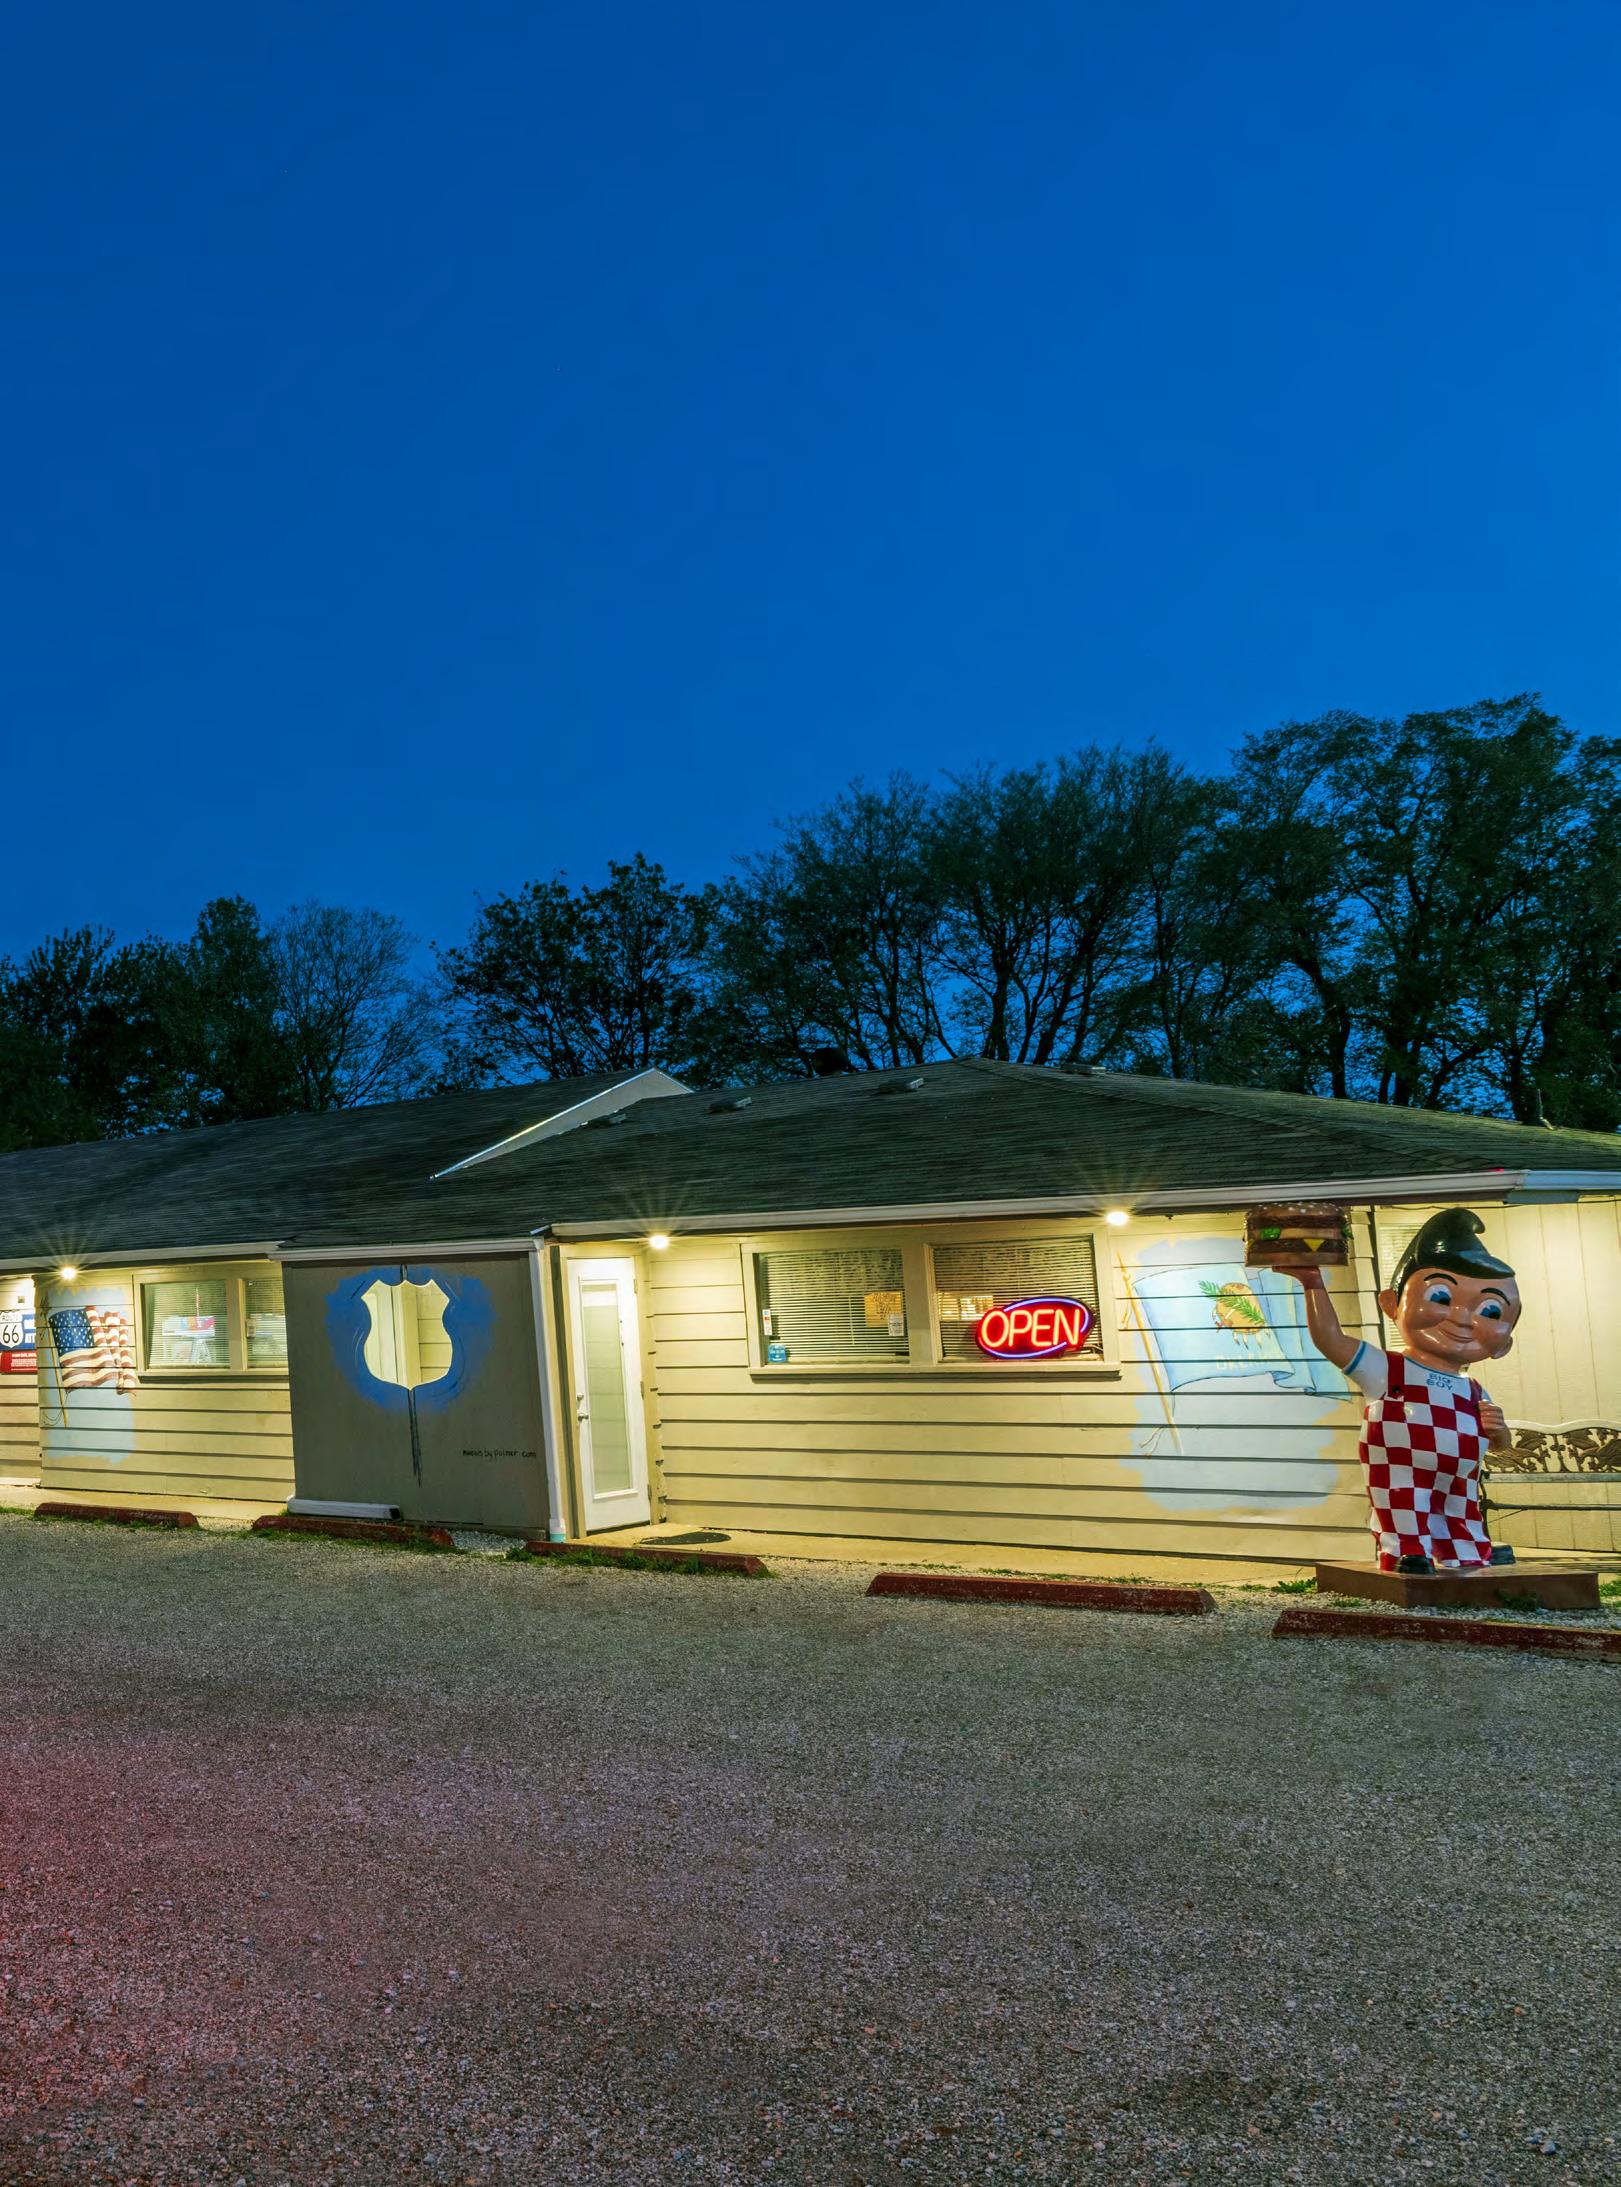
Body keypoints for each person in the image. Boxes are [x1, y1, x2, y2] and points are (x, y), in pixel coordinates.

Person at [1275, 1208, 1519, 1574]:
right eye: (1441, 1296)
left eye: (1490, 1310)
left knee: (1461, 1508)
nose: (1462, 1318)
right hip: (1401, 1468)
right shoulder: (1387, 1369)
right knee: (1404, 1502)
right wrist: (1313, 1284)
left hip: (1461, 1477)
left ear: (1504, 1343)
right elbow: (1330, 1338)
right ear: (1391, 1304)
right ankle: (1407, 1548)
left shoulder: (1472, 1388)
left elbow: (1498, 1443)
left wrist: (1498, 1432)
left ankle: (1469, 1548)